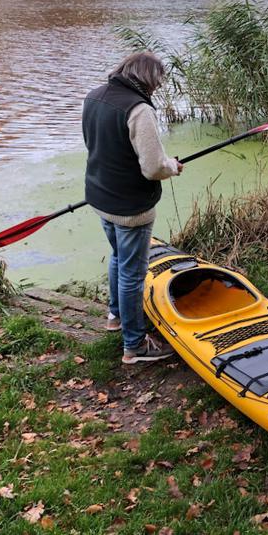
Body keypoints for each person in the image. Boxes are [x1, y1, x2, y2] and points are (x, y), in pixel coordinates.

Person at [82, 51, 182, 364]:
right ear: (147, 79)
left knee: (117, 257)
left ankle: (115, 316)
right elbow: (152, 168)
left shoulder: (94, 96)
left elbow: (94, 143)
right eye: (157, 82)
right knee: (132, 275)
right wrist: (172, 167)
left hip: (100, 196)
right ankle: (135, 345)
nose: (158, 88)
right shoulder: (139, 110)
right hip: (131, 207)